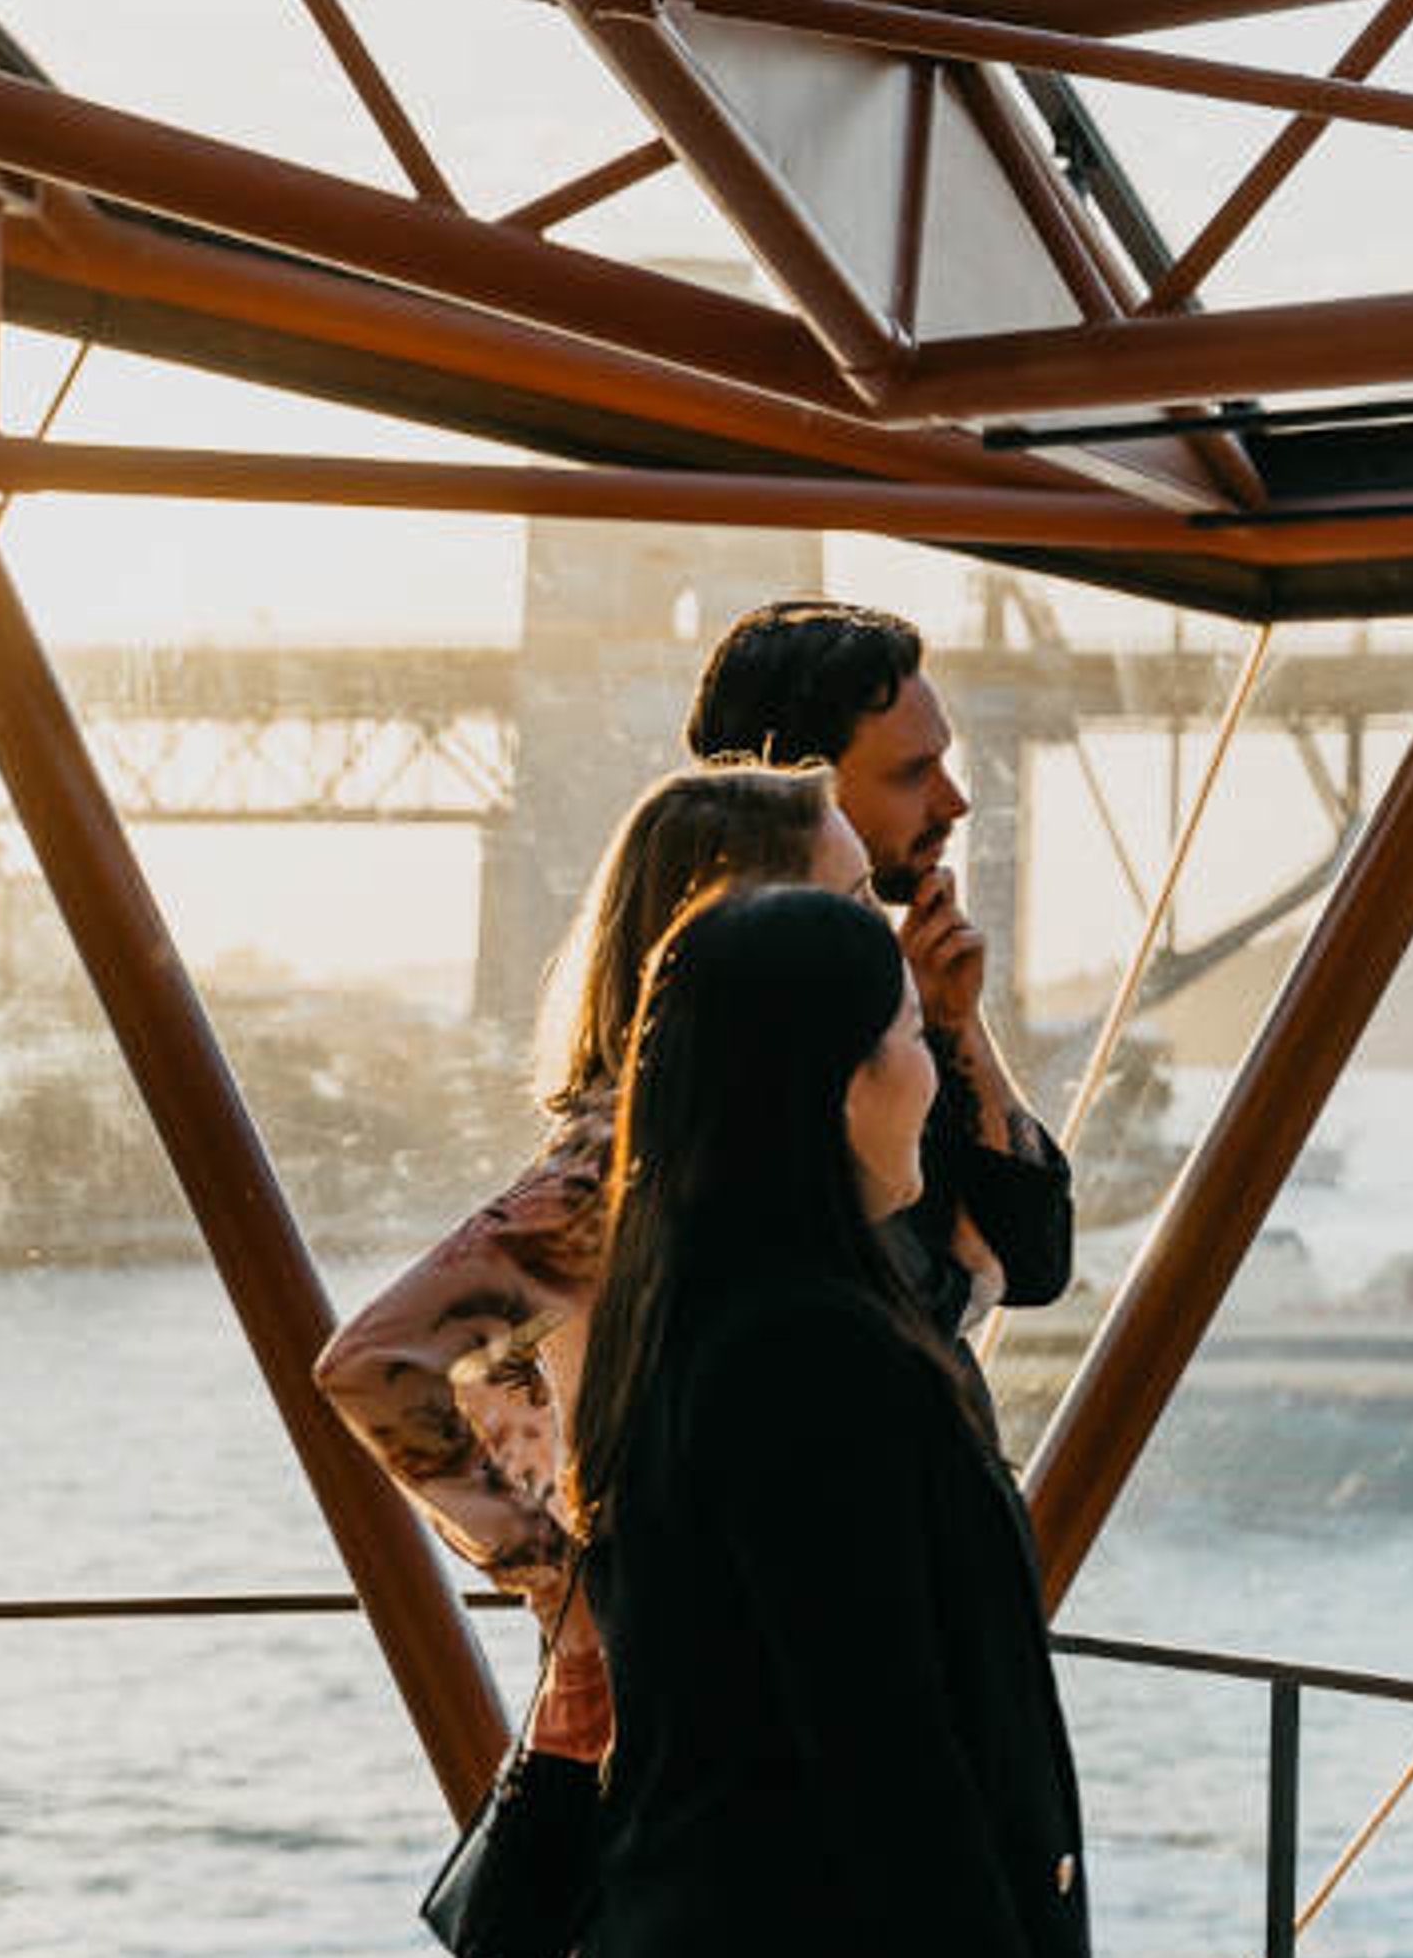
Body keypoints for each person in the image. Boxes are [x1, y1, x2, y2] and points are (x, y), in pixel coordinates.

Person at [568, 883, 1088, 1957]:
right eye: (910, 1035)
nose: (930, 1072)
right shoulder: (815, 1354)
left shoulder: (679, 1310)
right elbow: (891, 1757)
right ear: (839, 1088)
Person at [316, 761, 860, 1762]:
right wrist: (565, 1590)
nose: (879, 935)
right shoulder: (628, 1162)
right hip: (687, 1705)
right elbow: (376, 1364)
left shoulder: (720, 1146)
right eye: (851, 900)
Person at [686, 597, 1073, 1350]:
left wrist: (955, 1022)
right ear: (797, 794)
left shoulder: (882, 1015)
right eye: (913, 772)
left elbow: (1036, 1258)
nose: (955, 801)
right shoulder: (728, 1054)